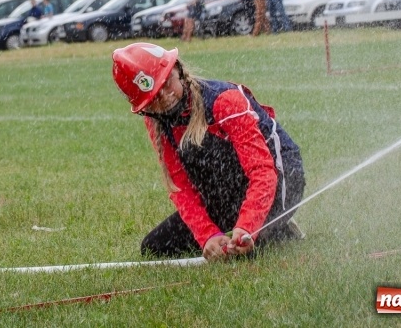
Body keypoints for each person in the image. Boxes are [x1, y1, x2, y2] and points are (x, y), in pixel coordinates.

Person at [112, 43, 306, 260]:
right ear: (144, 108)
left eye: (167, 83)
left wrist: (247, 225)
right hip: (230, 190)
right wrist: (207, 235)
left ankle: (275, 226)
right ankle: (263, 227)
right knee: (154, 247)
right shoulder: (155, 123)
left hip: (281, 176)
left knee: (240, 250)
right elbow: (180, 187)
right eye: (154, 97)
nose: (165, 97)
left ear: (178, 70)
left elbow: (262, 170)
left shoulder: (224, 100)